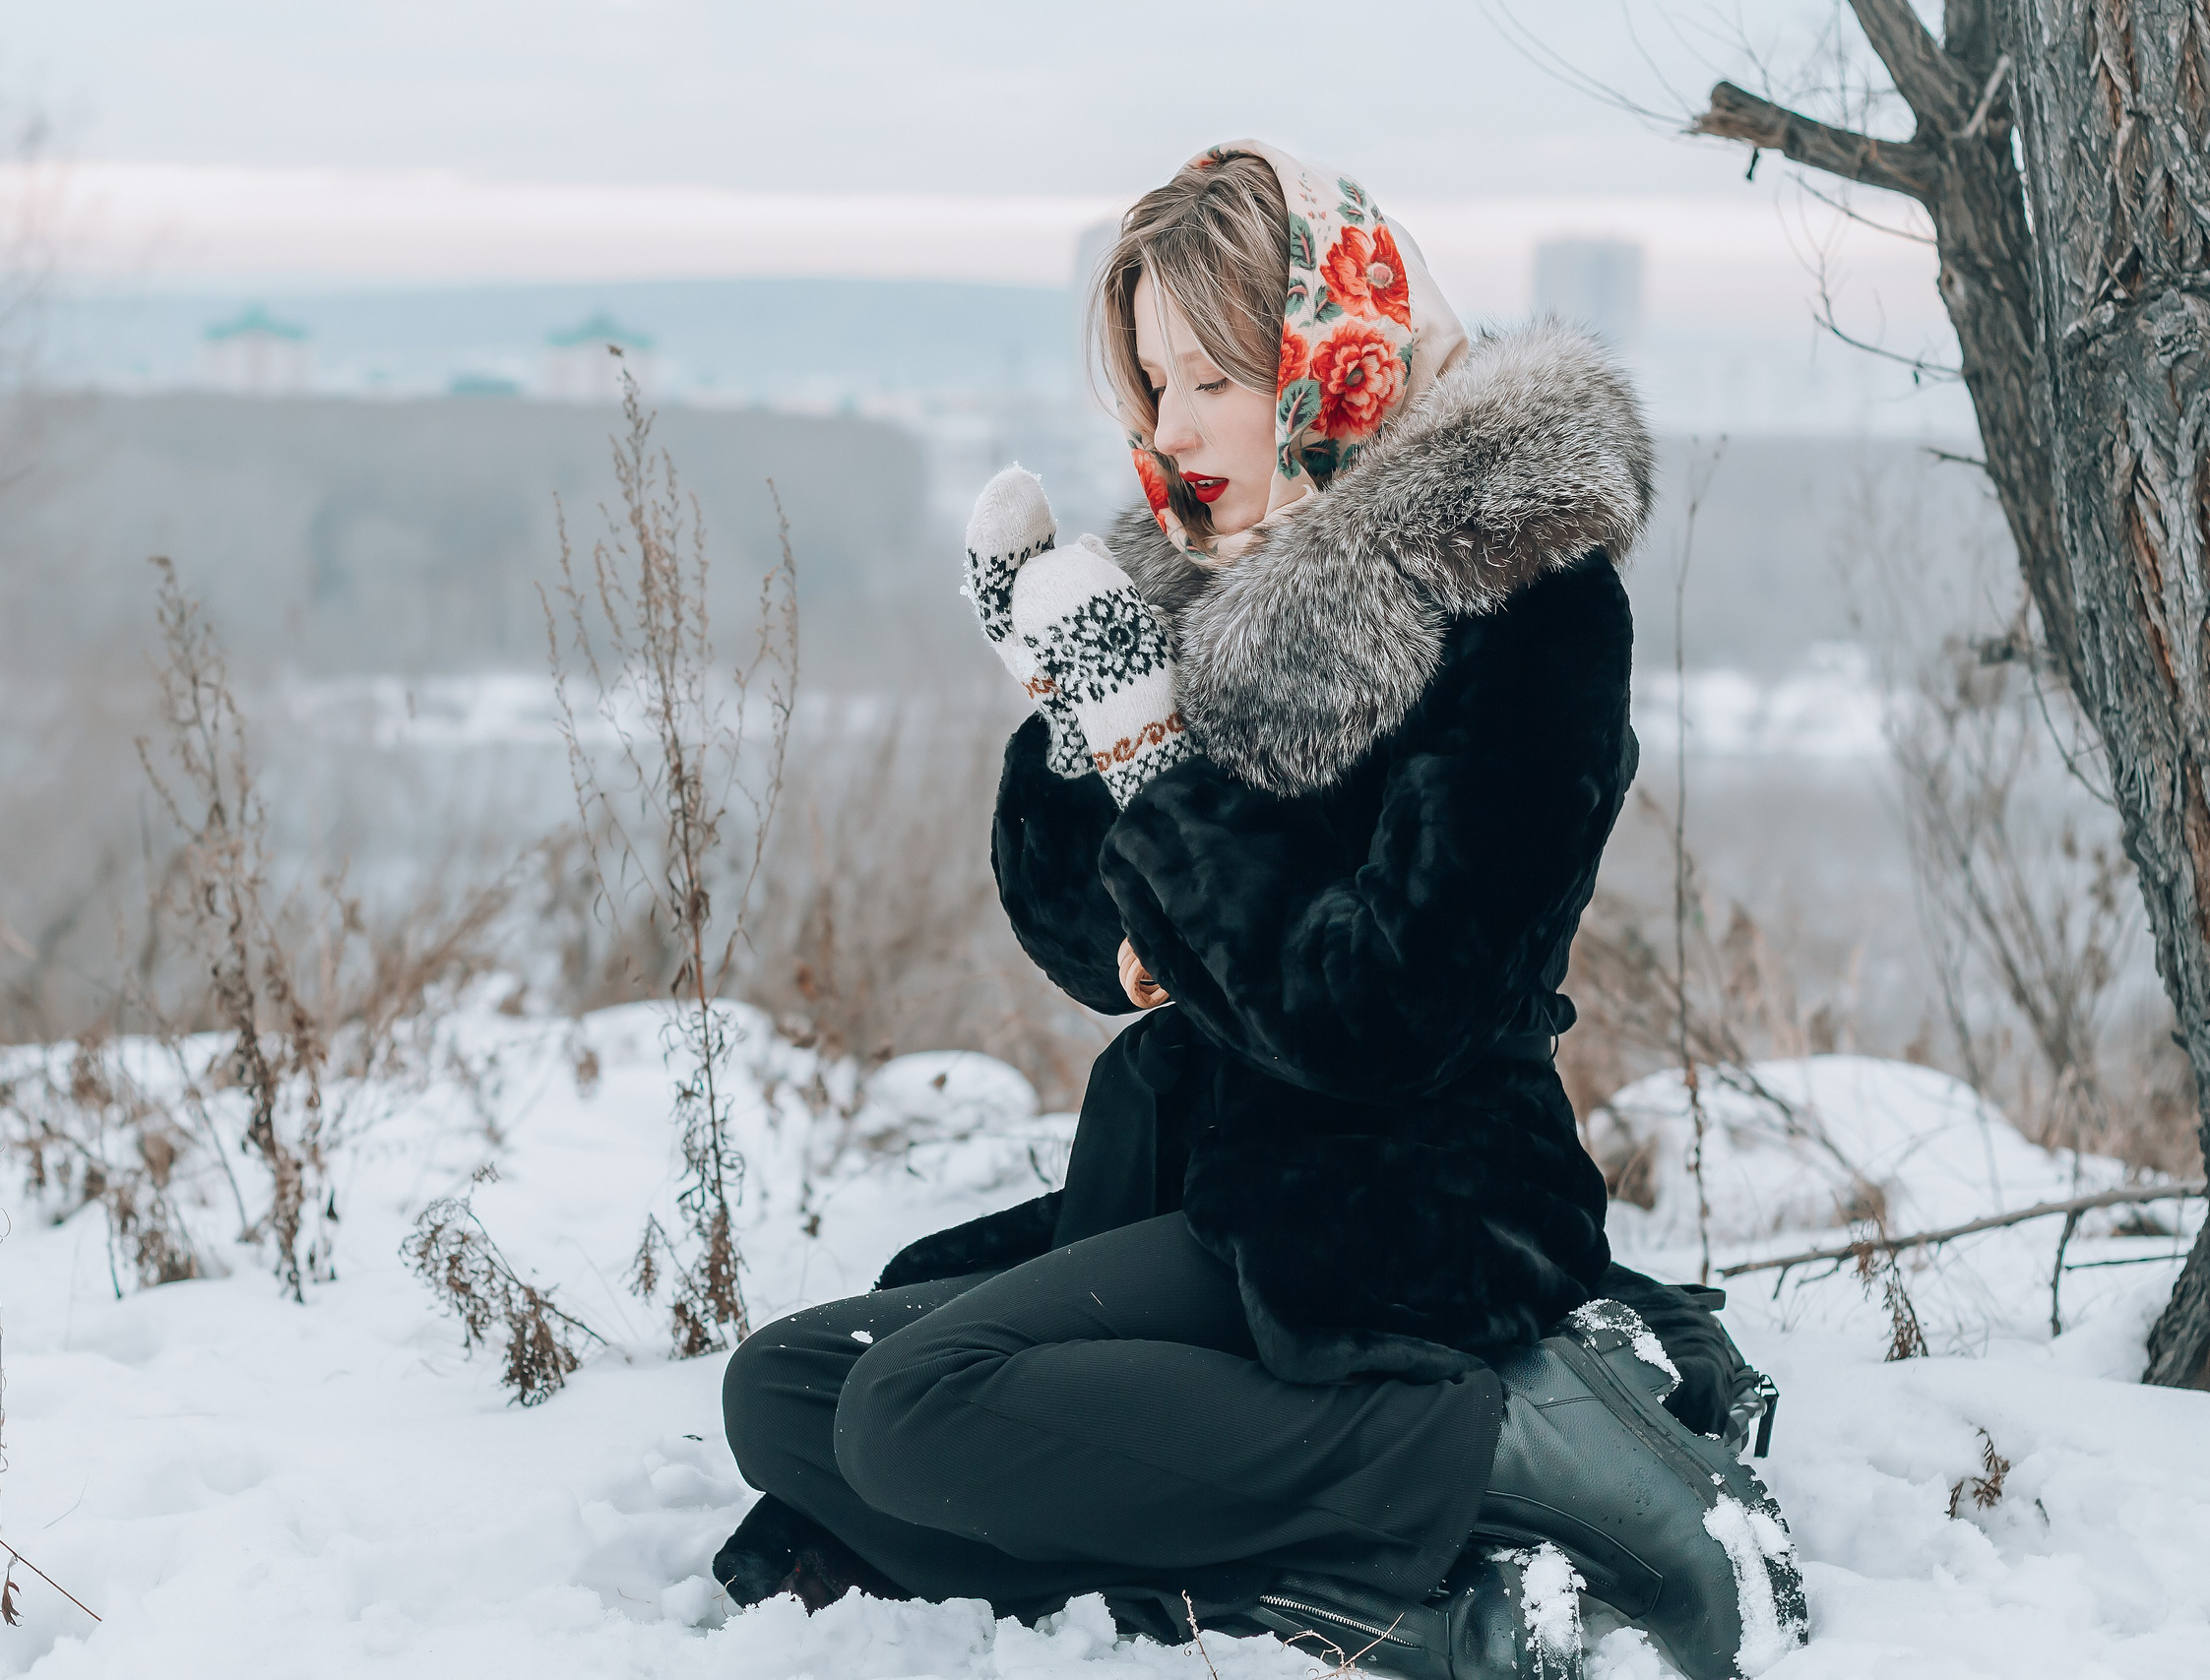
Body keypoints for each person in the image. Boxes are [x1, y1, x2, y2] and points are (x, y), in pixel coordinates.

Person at [713, 141, 1806, 1680]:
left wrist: (1155, 755)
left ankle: (1503, 1440)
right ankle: (1379, 1603)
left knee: (912, 1412)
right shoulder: (1205, 567)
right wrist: (1070, 718)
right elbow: (1089, 942)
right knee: (785, 1392)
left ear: (1325, 354)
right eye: (1152, 384)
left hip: (1402, 1201)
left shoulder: (1525, 602)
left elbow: (1378, 1019)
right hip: (1201, 1169)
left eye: (1211, 378)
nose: (1170, 428)